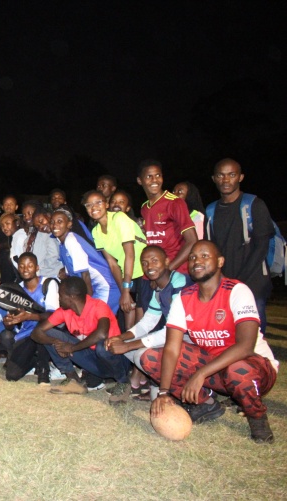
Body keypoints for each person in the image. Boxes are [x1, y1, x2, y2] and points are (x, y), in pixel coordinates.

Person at [142, 241, 279, 442]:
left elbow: (246, 346)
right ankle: (205, 405)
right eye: (192, 257)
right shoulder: (183, 298)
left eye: (205, 256)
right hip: (214, 369)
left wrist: (200, 374)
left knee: (237, 370)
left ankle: (258, 420)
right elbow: (172, 347)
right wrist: (163, 392)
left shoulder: (237, 291)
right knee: (151, 358)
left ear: (220, 261)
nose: (197, 261)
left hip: (254, 367)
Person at [105, 246, 191, 398]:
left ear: (166, 261)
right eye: (144, 263)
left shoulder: (180, 284)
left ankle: (170, 387)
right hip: (174, 337)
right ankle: (161, 383)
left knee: (139, 355)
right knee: (127, 349)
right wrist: (121, 338)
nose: (149, 266)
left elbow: (172, 332)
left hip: (191, 338)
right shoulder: (159, 288)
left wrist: (127, 345)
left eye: (154, 261)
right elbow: (148, 322)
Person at [30, 276, 132, 404]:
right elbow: (36, 333)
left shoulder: (98, 306)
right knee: (49, 334)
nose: (59, 298)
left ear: (71, 297)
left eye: (60, 295)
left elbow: (101, 334)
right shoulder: (64, 311)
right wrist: (57, 343)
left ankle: (123, 382)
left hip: (114, 359)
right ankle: (73, 380)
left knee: (102, 346)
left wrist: (71, 348)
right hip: (92, 360)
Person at [205, 158, 275, 336]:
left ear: (240, 177)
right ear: (214, 178)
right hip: (225, 279)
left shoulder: (255, 205)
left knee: (254, 323)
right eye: (221, 175)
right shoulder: (211, 210)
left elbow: (261, 246)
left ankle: (260, 360)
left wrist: (240, 281)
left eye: (231, 175)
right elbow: (211, 248)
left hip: (254, 278)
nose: (226, 180)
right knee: (228, 324)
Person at [84, 190, 146, 328]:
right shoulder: (96, 232)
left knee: (142, 320)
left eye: (98, 202)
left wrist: (125, 290)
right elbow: (112, 264)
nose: (94, 207)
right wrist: (124, 291)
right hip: (127, 273)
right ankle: (127, 344)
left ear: (106, 204)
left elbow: (129, 253)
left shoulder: (119, 218)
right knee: (127, 306)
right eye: (89, 205)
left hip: (143, 270)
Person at [0, 253, 59, 383]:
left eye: (30, 266)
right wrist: (8, 322)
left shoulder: (48, 284)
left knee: (42, 329)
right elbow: (13, 322)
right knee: (12, 375)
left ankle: (44, 370)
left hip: (47, 331)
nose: (25, 269)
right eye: (21, 266)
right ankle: (36, 361)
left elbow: (53, 315)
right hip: (27, 335)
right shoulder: (17, 289)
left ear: (37, 267)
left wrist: (29, 316)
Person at [50, 209, 120, 313]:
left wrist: (86, 303)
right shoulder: (61, 243)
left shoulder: (71, 241)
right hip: (94, 286)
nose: (55, 225)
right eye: (52, 222)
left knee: (98, 320)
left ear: (69, 224)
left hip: (105, 285)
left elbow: (85, 274)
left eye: (60, 221)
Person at [137, 159, 197, 274]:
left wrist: (168, 269)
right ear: (140, 180)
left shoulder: (175, 203)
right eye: (149, 176)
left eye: (158, 175)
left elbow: (192, 240)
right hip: (154, 271)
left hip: (176, 272)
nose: (155, 180)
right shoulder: (144, 207)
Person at [12, 207, 62, 279]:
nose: (41, 226)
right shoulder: (34, 232)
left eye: (41, 221)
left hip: (50, 274)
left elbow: (53, 255)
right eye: (38, 226)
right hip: (40, 274)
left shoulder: (48, 233)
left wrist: (37, 269)